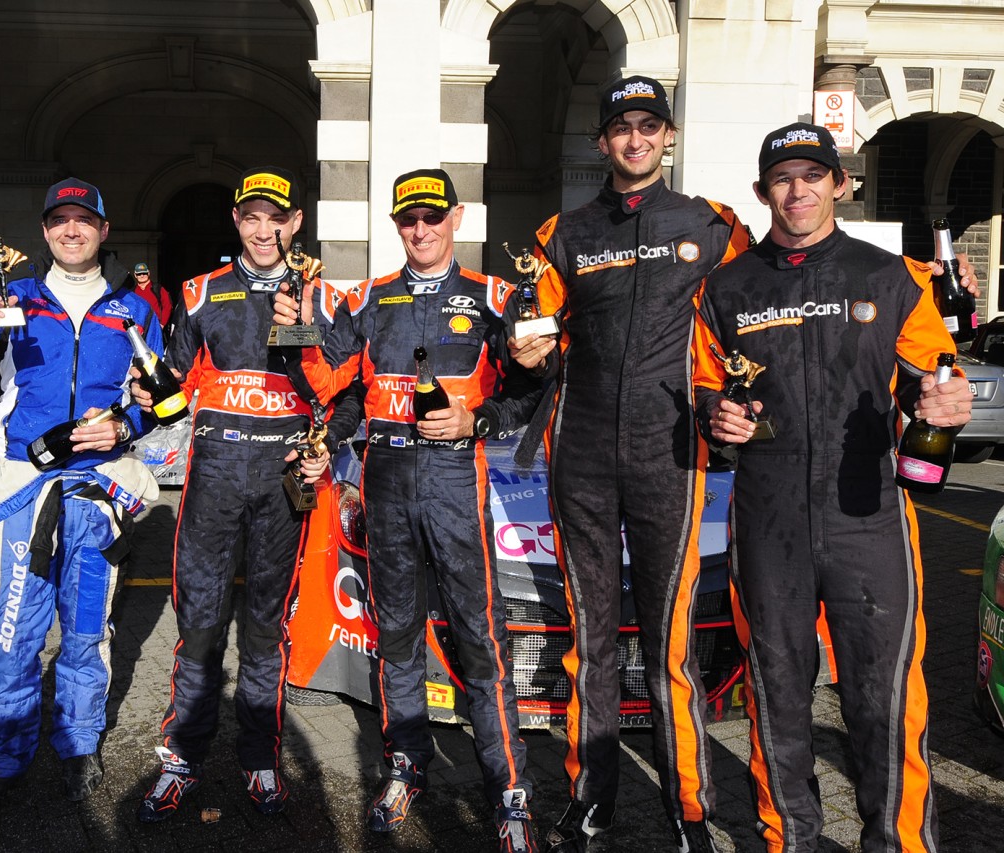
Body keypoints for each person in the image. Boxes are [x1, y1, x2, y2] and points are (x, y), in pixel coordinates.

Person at [692, 122, 972, 853]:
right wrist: (711, 413)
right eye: (783, 178)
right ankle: (792, 838)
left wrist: (946, 401)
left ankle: (899, 843)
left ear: (839, 184)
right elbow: (699, 386)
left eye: (813, 175)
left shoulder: (889, 279)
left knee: (882, 701)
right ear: (763, 193)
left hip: (869, 519)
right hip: (767, 523)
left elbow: (938, 378)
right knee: (776, 694)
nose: (798, 190)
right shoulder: (725, 290)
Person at [508, 76, 750, 853]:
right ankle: (593, 795)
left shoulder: (712, 225)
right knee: (591, 634)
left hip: (670, 454)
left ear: (668, 136)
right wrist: (527, 352)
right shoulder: (561, 233)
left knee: (668, 640)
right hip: (578, 453)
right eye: (622, 128)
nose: (635, 139)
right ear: (603, 141)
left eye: (649, 126)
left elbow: (751, 324)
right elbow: (531, 341)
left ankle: (688, 809)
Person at [272, 168, 543, 853]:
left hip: (455, 480)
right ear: (396, 225)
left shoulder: (495, 296)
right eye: (406, 220)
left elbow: (534, 386)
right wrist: (297, 336)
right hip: (386, 478)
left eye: (430, 216)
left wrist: (475, 421)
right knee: (395, 634)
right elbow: (340, 388)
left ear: (456, 217)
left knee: (480, 638)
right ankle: (406, 762)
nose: (419, 230)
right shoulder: (369, 298)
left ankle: (508, 789)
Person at [0, 178, 164, 823]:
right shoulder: (14, 297)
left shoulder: (135, 308)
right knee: (12, 631)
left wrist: (124, 427)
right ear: (44, 231)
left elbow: (163, 399)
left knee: (88, 627)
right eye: (60, 220)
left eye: (83, 220)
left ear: (103, 228)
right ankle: (4, 757)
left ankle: (77, 743)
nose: (72, 230)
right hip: (22, 487)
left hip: (95, 487)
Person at [135, 166, 348, 823]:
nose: (264, 229)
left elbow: (343, 395)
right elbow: (171, 385)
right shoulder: (199, 292)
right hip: (215, 479)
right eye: (251, 216)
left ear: (295, 224)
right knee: (197, 625)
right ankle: (181, 757)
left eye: (275, 217)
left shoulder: (321, 298)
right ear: (237, 221)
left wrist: (324, 450)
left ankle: (260, 759)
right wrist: (148, 397)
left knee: (264, 627)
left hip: (284, 484)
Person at [133, 261, 173, 331]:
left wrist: (162, 324)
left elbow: (168, 305)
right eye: (139, 274)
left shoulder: (157, 288)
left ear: (148, 273)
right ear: (135, 275)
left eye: (144, 273)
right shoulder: (133, 291)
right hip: (137, 328)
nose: (142, 276)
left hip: (155, 327)